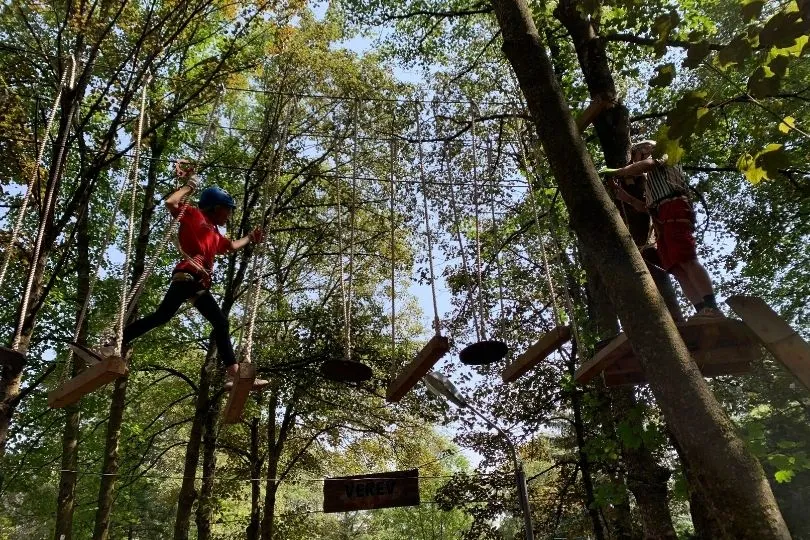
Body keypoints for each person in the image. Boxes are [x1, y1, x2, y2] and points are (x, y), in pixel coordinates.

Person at [100, 165, 269, 390]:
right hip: (188, 276)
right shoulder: (194, 215)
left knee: (173, 317)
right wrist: (189, 186)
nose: (229, 214)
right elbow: (171, 203)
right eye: (227, 209)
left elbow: (231, 246)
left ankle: (234, 374)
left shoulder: (215, 234)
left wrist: (249, 237)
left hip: (197, 282)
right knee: (205, 320)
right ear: (216, 208)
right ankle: (114, 342)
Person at [601, 140, 723, 318]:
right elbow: (643, 207)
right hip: (660, 215)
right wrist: (623, 195)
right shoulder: (652, 183)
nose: (633, 161)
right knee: (676, 267)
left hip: (673, 206)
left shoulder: (665, 152)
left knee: (686, 258)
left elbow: (648, 164)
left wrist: (619, 172)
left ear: (645, 149)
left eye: (635, 155)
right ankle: (702, 310)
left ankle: (712, 306)